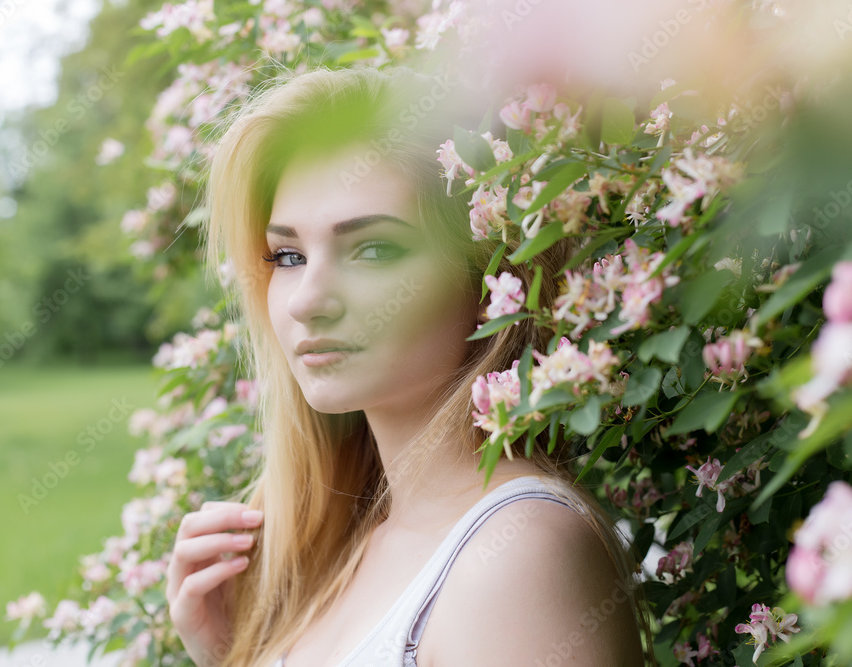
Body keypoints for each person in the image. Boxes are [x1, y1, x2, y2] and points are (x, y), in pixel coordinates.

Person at [165, 64, 653, 667]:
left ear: (490, 280)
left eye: (373, 249)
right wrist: (228, 653)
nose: (308, 300)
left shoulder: (518, 555)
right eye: (287, 254)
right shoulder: (337, 550)